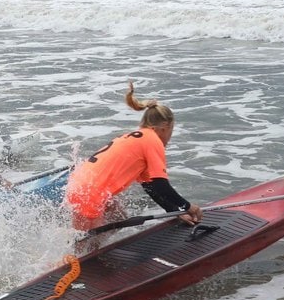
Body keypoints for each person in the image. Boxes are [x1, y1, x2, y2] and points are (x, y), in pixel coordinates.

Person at [65, 82, 203, 233]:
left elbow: (150, 186)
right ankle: (88, 255)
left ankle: (99, 253)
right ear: (164, 127)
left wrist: (175, 211)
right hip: (90, 192)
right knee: (85, 244)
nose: (169, 137)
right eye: (171, 131)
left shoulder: (140, 138)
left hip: (82, 184)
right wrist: (188, 207)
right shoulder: (152, 140)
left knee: (119, 218)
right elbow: (161, 185)